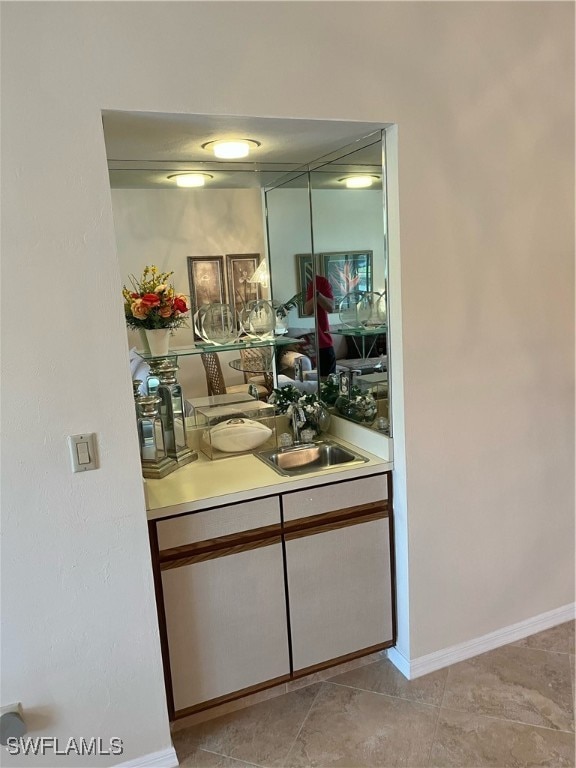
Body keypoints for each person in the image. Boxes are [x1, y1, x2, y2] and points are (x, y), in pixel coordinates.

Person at [304, 274, 336, 377]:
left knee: (328, 381)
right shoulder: (314, 283)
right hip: (318, 346)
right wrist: (315, 295)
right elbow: (308, 311)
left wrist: (317, 294)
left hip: (325, 345)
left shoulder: (322, 282)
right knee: (326, 382)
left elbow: (331, 308)